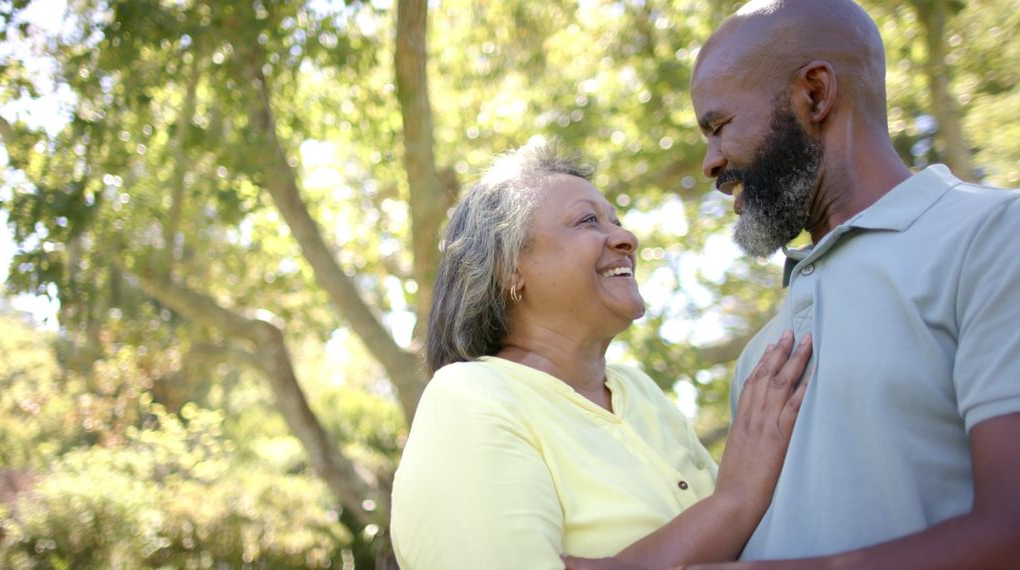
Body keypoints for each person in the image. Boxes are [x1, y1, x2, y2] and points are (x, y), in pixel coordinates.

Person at [681, 0, 1020, 567]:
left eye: (718, 127)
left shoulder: (992, 236)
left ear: (814, 94)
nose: (710, 162)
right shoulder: (759, 360)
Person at [390, 139, 812, 569]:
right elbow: (736, 511)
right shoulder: (470, 399)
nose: (626, 237)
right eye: (588, 221)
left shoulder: (640, 393)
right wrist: (734, 499)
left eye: (617, 220)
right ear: (509, 268)